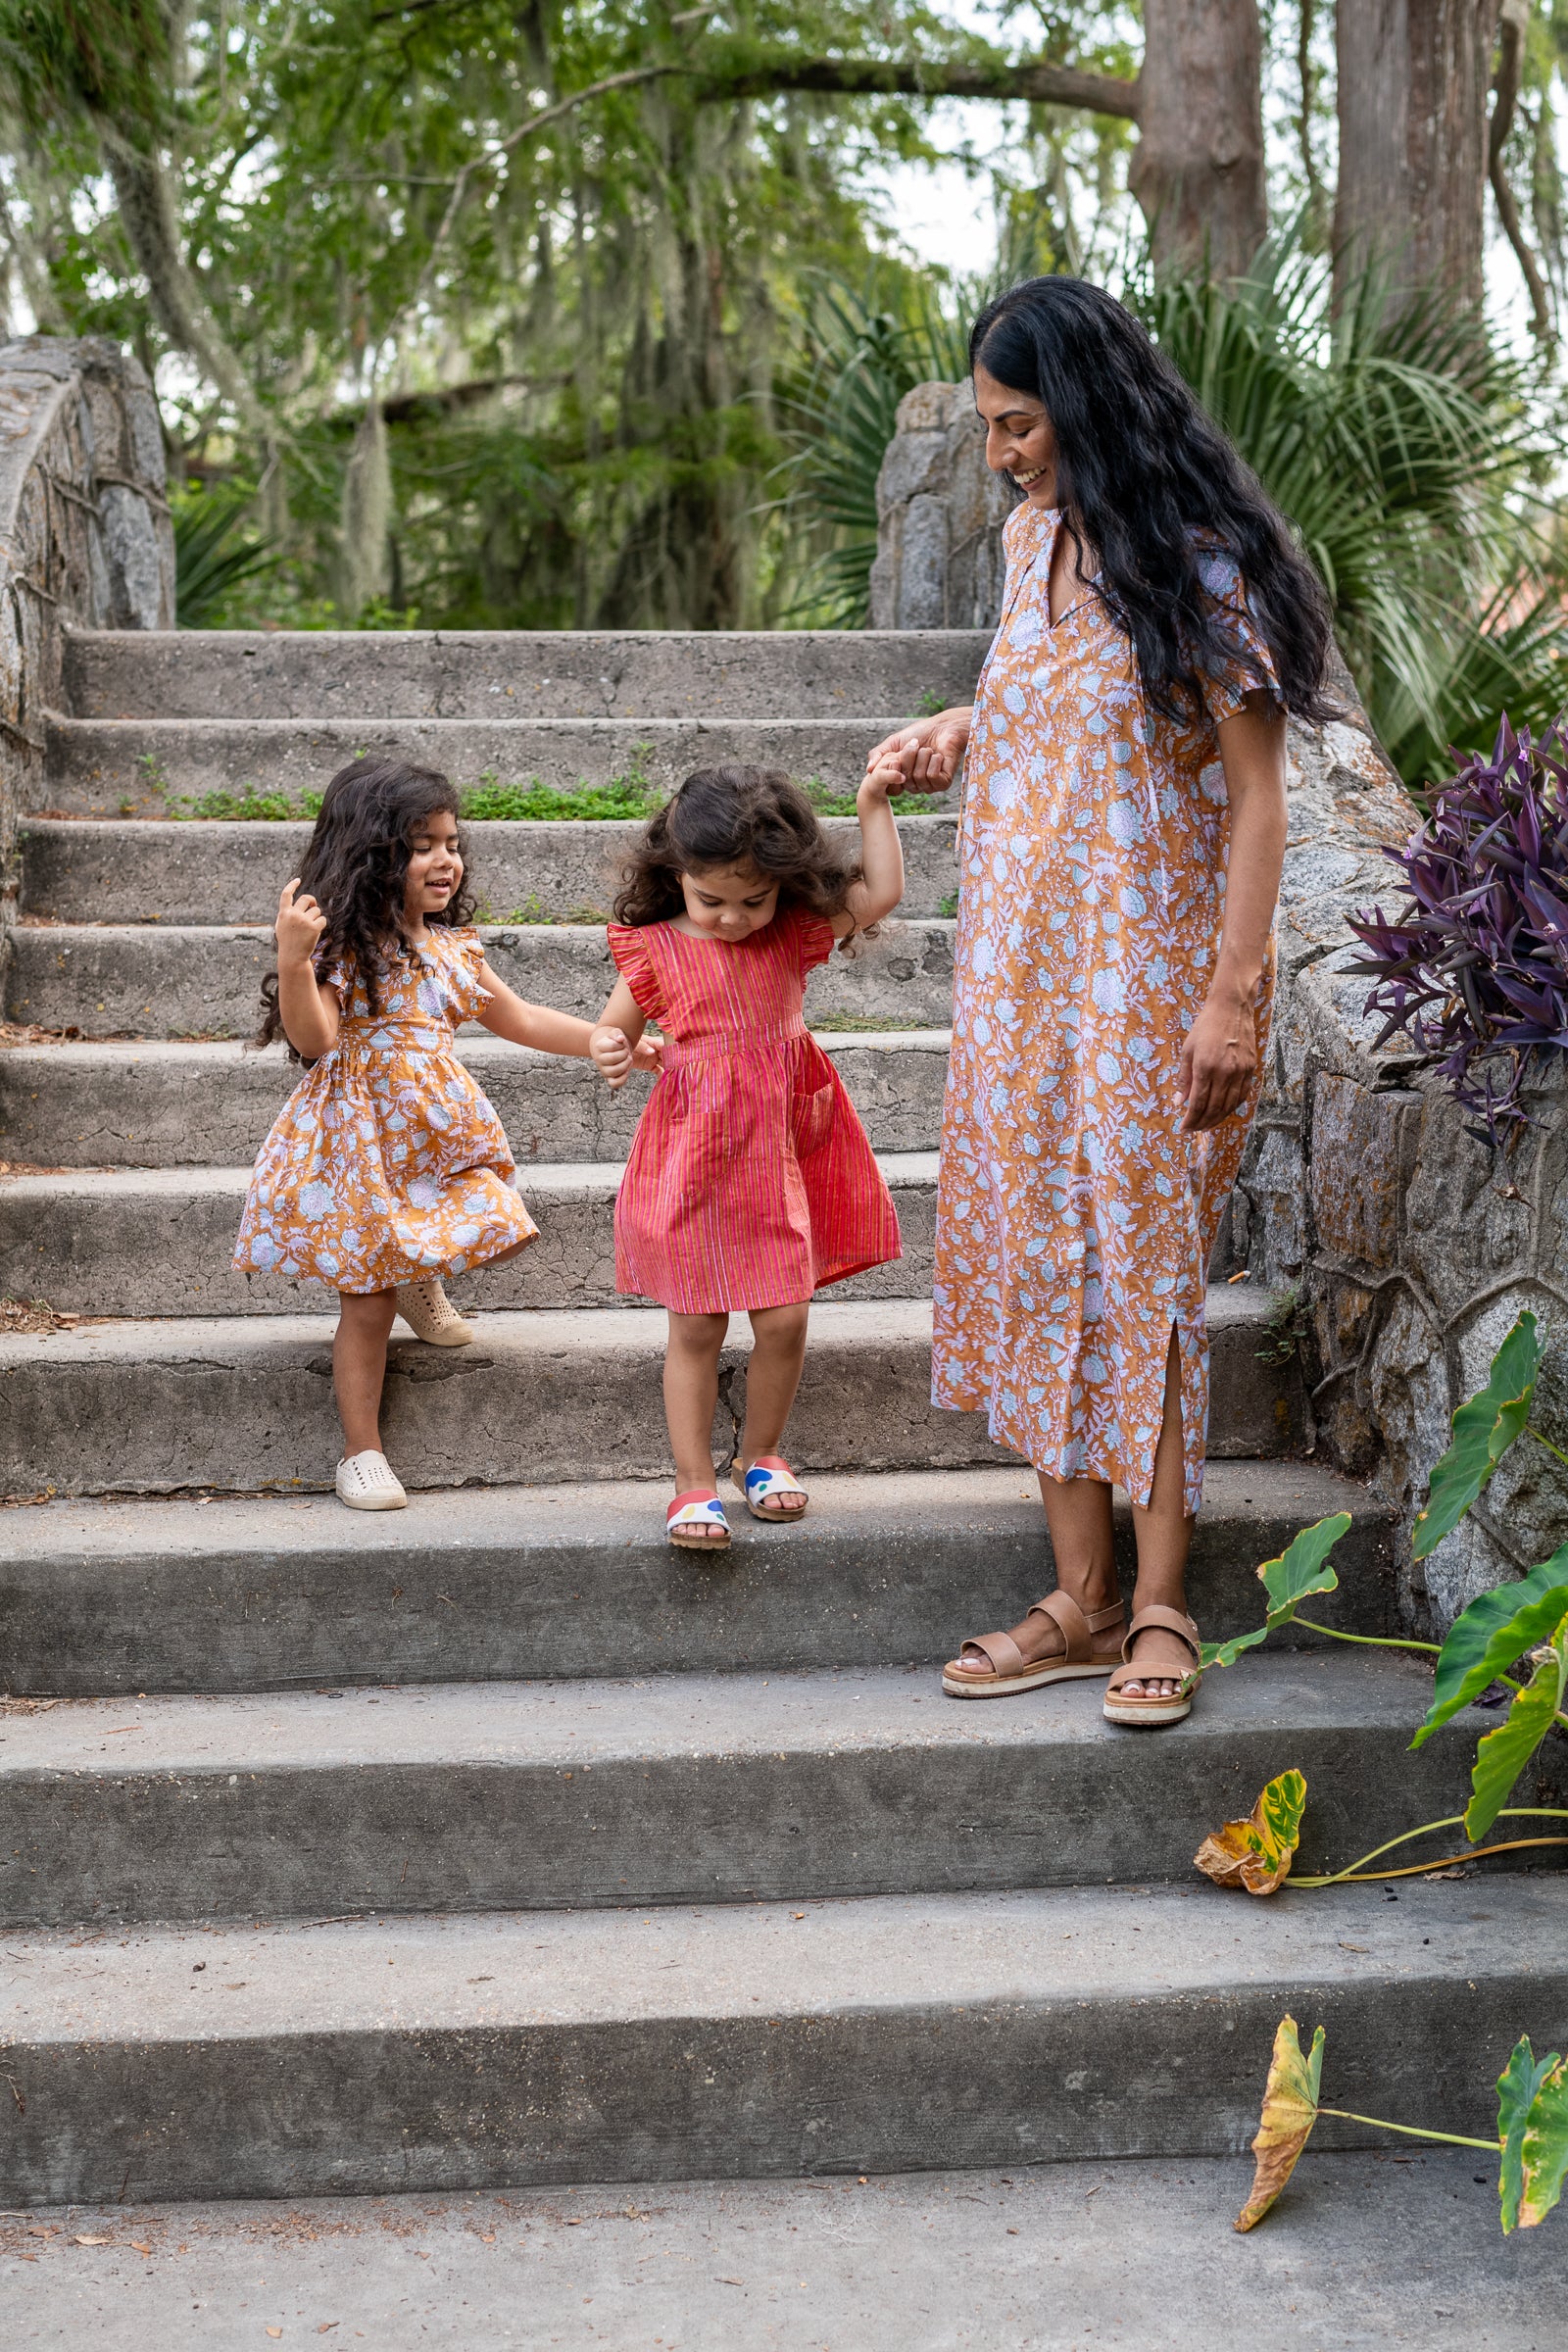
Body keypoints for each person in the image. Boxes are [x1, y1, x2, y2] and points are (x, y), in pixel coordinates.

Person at [866, 273, 1335, 1726]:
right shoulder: (1027, 545)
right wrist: (961, 723)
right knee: (1031, 1260)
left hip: (1148, 990)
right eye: (994, 429)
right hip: (1017, 986)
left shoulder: (1202, 568)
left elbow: (1260, 800)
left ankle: (1160, 1602)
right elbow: (1054, 702)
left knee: (1141, 1274)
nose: (1003, 451)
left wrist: (1234, 1000)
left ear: (1088, 404)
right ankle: (1073, 1599)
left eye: (1019, 424)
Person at [235, 755, 651, 1509]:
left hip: (431, 1136)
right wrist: (294, 962)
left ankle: (415, 1273)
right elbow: (318, 1038)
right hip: (359, 1138)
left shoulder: (454, 949)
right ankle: (361, 1452)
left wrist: (598, 1038)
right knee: (363, 1298)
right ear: (370, 852)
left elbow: (518, 1017)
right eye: (421, 845)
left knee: (433, 1214)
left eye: (451, 843)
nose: (444, 860)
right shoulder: (346, 947)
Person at [588, 764, 905, 1548]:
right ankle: (692, 1480)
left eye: (753, 900)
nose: (733, 918)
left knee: (786, 1315)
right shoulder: (655, 949)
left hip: (777, 1153)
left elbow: (881, 894)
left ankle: (759, 1455)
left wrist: (872, 802)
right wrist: (614, 1051)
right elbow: (614, 1031)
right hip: (695, 1156)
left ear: (783, 886)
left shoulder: (792, 937)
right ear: (678, 877)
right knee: (695, 1325)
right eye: (713, 900)